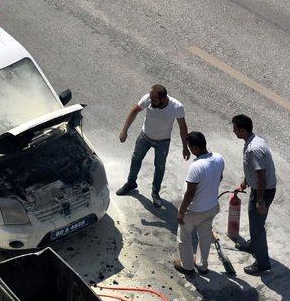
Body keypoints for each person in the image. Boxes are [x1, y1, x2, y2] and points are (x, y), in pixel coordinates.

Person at [116, 84, 190, 207]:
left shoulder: (177, 107)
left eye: (154, 101)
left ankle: (155, 193)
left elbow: (183, 128)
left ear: (164, 99)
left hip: (163, 141)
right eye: (151, 99)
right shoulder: (148, 99)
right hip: (145, 137)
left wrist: (185, 147)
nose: (151, 103)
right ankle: (131, 183)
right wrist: (124, 130)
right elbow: (134, 111)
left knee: (159, 167)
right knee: (136, 159)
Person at [232, 114, 277, 275]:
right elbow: (252, 169)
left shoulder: (254, 149)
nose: (233, 131)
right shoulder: (254, 140)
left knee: (257, 227)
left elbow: (261, 176)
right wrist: (245, 181)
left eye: (235, 129)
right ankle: (253, 245)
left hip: (262, 191)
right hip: (258, 188)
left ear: (243, 130)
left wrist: (259, 200)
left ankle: (263, 263)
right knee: (254, 222)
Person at [174, 132, 224, 276]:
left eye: (189, 146)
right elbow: (219, 177)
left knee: (183, 237)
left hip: (194, 211)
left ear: (195, 148)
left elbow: (190, 193)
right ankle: (202, 265)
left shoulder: (196, 166)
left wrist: (181, 211)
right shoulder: (219, 158)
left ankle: (187, 266)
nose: (188, 148)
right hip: (211, 207)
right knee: (205, 236)